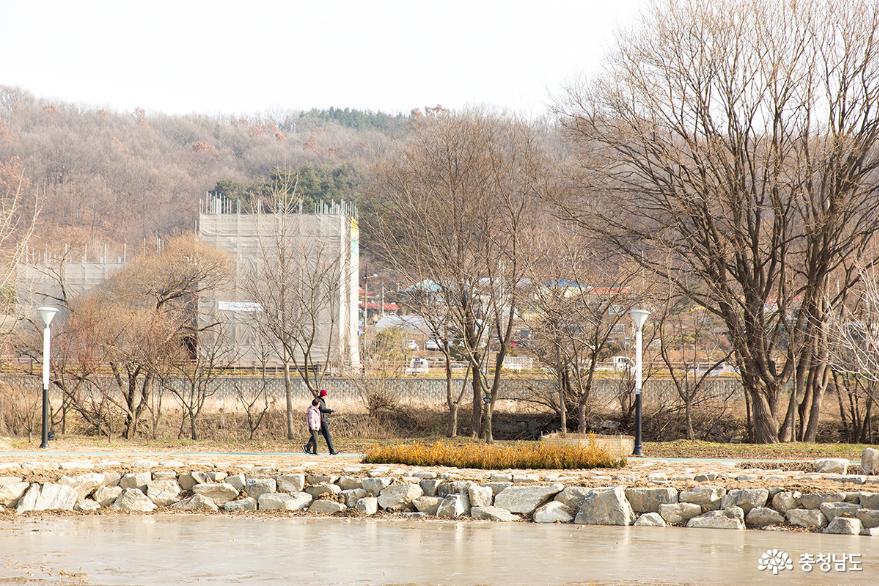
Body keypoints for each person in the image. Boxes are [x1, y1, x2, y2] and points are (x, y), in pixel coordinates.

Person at [317, 388, 338, 455]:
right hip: (322, 421)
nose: (326, 396)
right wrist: (330, 410)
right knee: (328, 436)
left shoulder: (321, 400)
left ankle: (307, 446)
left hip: (322, 420)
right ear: (323, 395)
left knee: (316, 435)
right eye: (326, 394)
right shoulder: (319, 401)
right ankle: (332, 451)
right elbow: (322, 409)